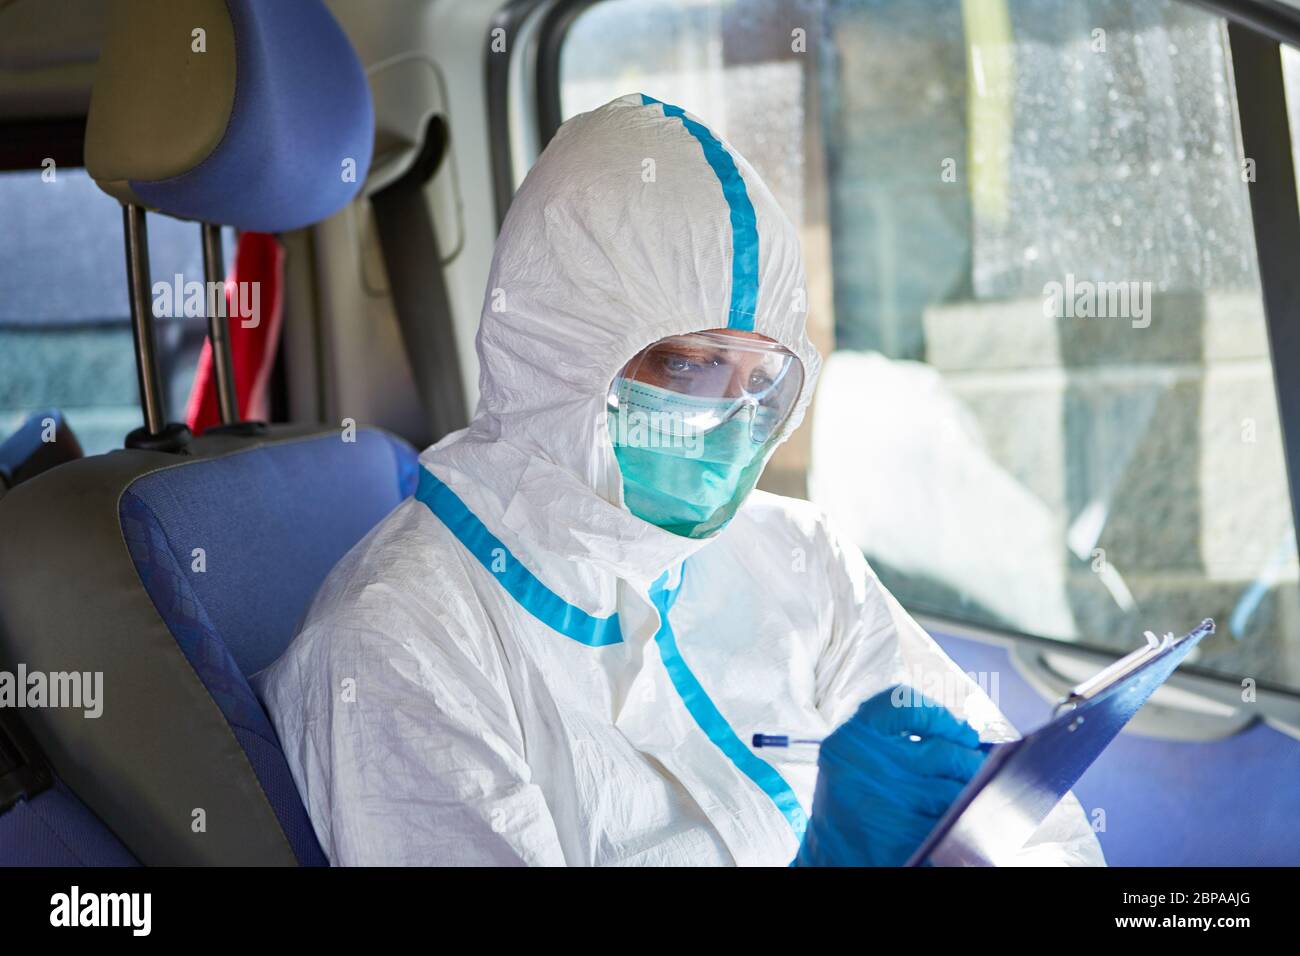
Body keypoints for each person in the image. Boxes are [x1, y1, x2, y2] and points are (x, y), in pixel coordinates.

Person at [254, 93, 1104, 866]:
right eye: (691, 366)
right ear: (562, 344)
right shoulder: (398, 646)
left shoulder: (799, 556)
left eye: (754, 378)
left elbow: (1038, 828)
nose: (731, 419)